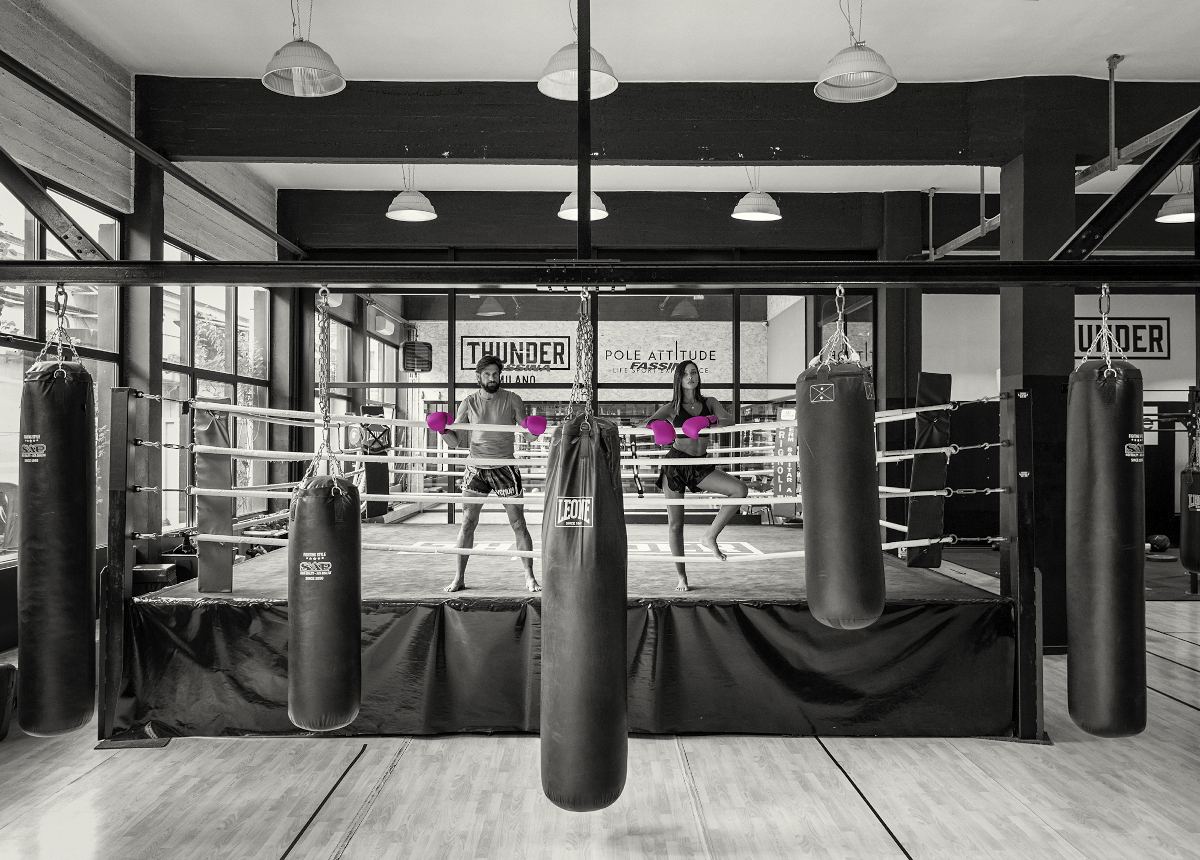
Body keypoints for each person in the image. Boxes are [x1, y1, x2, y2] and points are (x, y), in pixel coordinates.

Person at [426, 356, 545, 593]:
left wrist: (536, 431)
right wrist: (442, 430)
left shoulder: (512, 399)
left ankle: (530, 576)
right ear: (478, 377)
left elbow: (528, 435)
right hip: (476, 468)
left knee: (518, 523)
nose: (492, 378)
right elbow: (454, 441)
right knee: (467, 522)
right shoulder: (468, 402)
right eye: (487, 374)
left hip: (504, 467)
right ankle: (459, 577)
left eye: (496, 374)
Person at [646, 360, 748, 591]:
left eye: (694, 372)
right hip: (675, 464)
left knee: (739, 490)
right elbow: (648, 422)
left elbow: (729, 420)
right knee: (676, 525)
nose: (690, 377)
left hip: (700, 464)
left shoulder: (709, 402)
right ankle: (681, 576)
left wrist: (707, 420)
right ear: (679, 379)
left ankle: (710, 536)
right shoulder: (673, 406)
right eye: (685, 374)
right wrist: (658, 426)